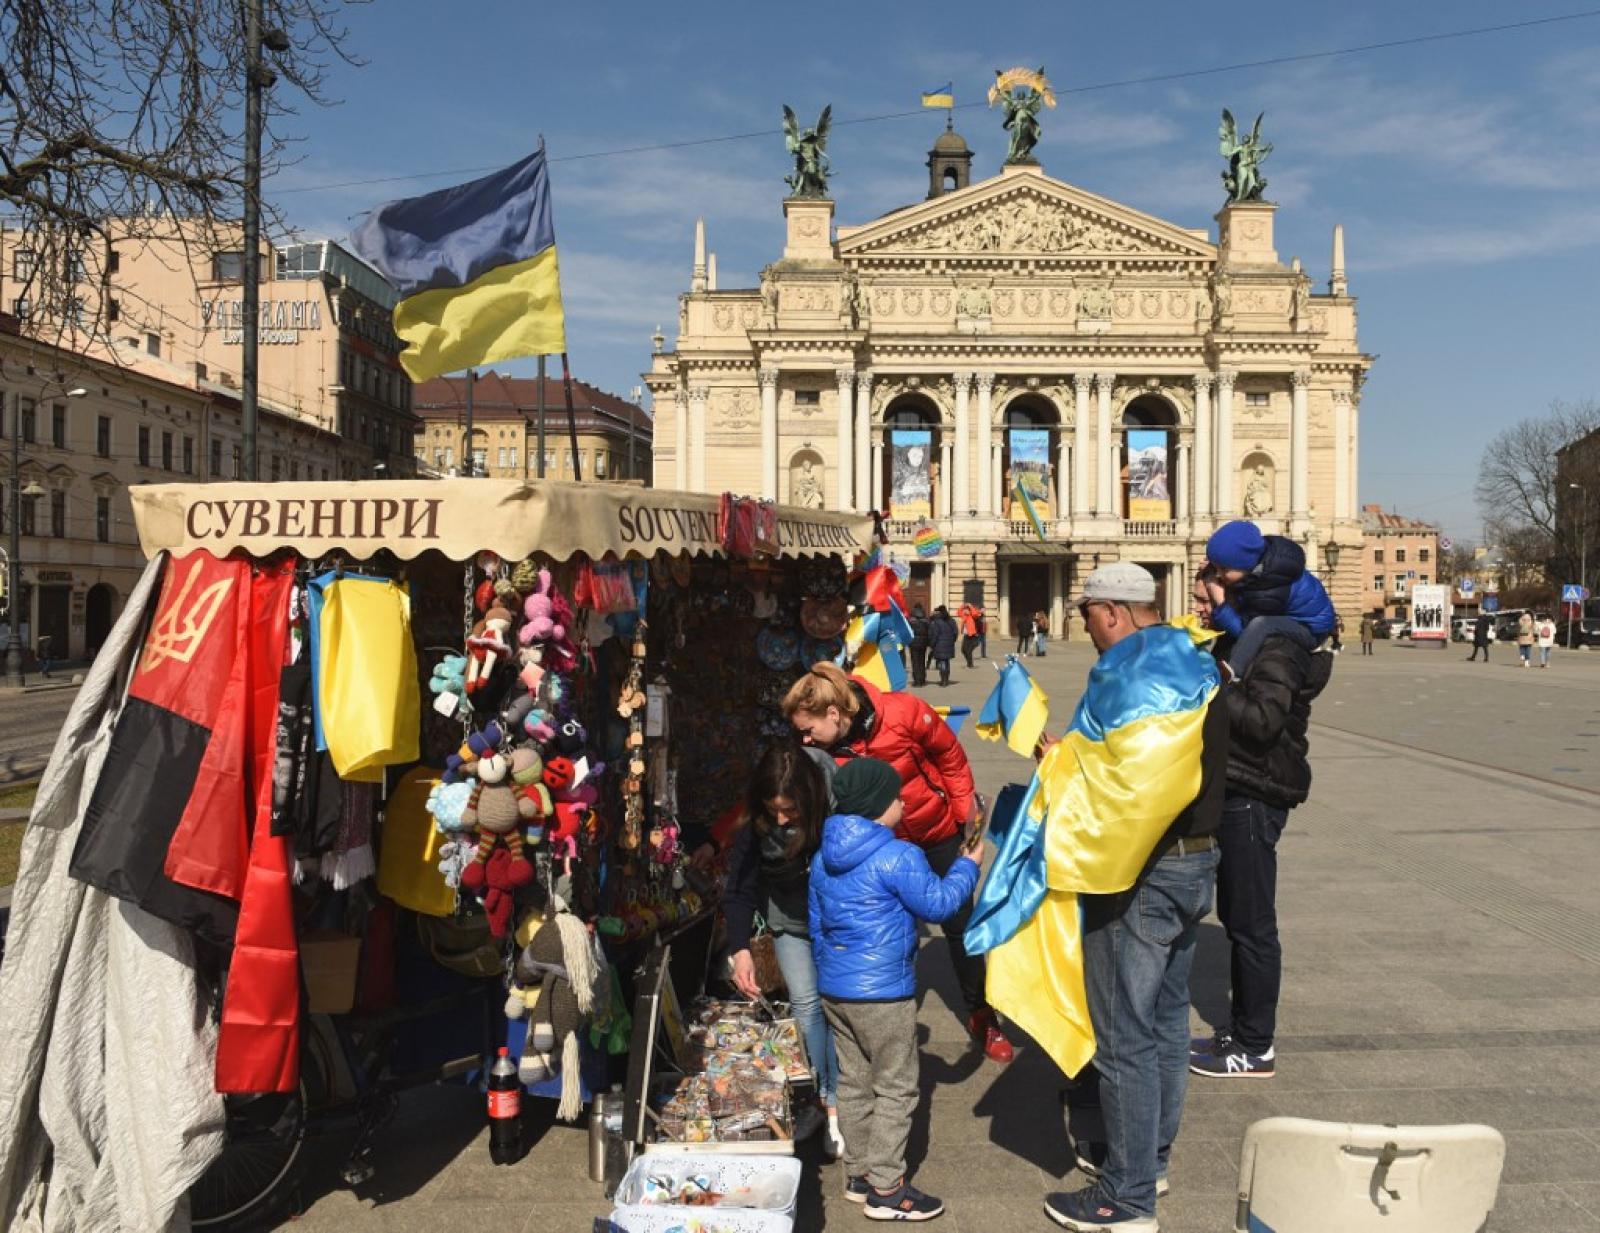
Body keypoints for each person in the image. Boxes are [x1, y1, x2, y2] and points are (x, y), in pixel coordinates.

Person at [964, 563, 1225, 1231]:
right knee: (1165, 1019)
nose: (1083, 622)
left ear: (1113, 609)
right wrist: (1066, 753)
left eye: (1086, 613)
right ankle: (1152, 1160)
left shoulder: (1134, 669)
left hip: (1138, 871)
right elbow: (1128, 761)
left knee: (1124, 1036)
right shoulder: (1190, 654)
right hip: (1196, 862)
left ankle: (1127, 1194)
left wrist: (1060, 774)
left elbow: (1128, 793)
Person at [783, 662, 1014, 1064]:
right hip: (878, 847)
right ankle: (880, 1024)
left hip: (935, 830)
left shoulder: (903, 712)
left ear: (835, 714)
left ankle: (981, 1013)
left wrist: (964, 819)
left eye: (809, 730)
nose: (804, 739)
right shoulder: (821, 749)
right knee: (884, 928)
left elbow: (951, 758)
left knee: (960, 923)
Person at [810, 757, 981, 1221]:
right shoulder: (899, 855)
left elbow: (816, 924)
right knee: (898, 1088)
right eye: (895, 796)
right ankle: (887, 1187)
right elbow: (941, 904)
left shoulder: (823, 857)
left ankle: (859, 1174)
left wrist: (831, 974)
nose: (902, 800)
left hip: (837, 989)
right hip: (883, 991)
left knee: (854, 1080)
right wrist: (967, 866)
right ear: (875, 805)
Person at [1190, 557, 1335, 1084]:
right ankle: (1239, 1030)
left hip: (1255, 792)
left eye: (1206, 600)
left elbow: (1262, 719)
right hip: (1238, 786)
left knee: (1252, 924)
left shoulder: (1275, 647)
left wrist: (1210, 682)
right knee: (1237, 917)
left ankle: (1255, 1046)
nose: (1199, 608)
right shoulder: (1246, 640)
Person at [722, 745, 843, 1155]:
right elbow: (738, 888)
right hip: (788, 920)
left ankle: (836, 1100)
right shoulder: (757, 827)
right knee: (806, 1005)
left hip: (835, 921)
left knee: (834, 1007)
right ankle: (822, 1098)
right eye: (772, 810)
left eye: (789, 810)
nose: (780, 819)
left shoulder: (836, 809)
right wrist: (740, 950)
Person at [1203, 521, 1337, 676]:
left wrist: (1220, 602)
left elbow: (1245, 632)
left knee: (1262, 625)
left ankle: (1234, 671)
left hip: (1311, 630)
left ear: (1246, 565)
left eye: (1224, 569)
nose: (1218, 574)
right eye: (1215, 567)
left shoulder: (1268, 589)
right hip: (1306, 618)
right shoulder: (1265, 564)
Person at [928, 605, 959, 687]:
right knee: (947, 662)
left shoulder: (937, 622)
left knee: (942, 662)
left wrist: (932, 644)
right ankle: (946, 679)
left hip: (939, 644)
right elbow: (955, 633)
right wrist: (952, 641)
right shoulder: (952, 620)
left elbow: (935, 634)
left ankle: (943, 680)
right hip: (949, 644)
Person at [908, 603, 931, 687]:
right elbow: (930, 632)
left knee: (915, 662)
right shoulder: (926, 621)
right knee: (922, 661)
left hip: (913, 643)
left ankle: (917, 681)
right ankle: (922, 679)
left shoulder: (910, 621)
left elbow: (906, 632)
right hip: (923, 642)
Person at [957, 600, 985, 668]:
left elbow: (975, 613)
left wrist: (970, 606)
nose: (965, 611)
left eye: (966, 610)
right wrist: (963, 606)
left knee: (968, 650)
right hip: (966, 635)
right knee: (963, 650)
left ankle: (970, 664)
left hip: (972, 635)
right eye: (965, 610)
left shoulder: (972, 616)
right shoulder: (964, 615)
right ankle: (969, 663)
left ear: (969, 611)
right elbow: (958, 612)